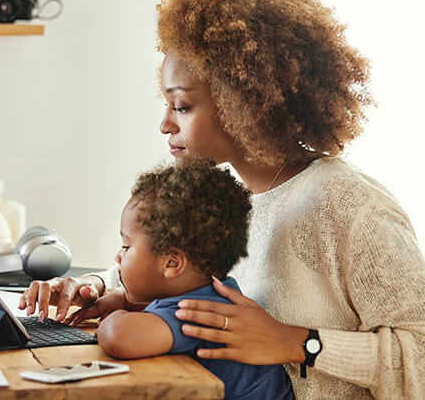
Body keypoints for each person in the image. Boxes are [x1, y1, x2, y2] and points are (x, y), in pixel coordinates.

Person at [19, 0, 425, 399]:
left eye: (181, 106)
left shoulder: (347, 205)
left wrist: (299, 343)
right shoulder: (233, 198)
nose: (164, 125)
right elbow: (180, 272)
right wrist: (98, 288)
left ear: (243, 101)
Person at [86, 158, 294, 399]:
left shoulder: (200, 313)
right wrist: (125, 303)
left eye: (126, 246)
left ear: (172, 263)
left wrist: (115, 319)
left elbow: (119, 337)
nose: (118, 257)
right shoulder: (219, 292)